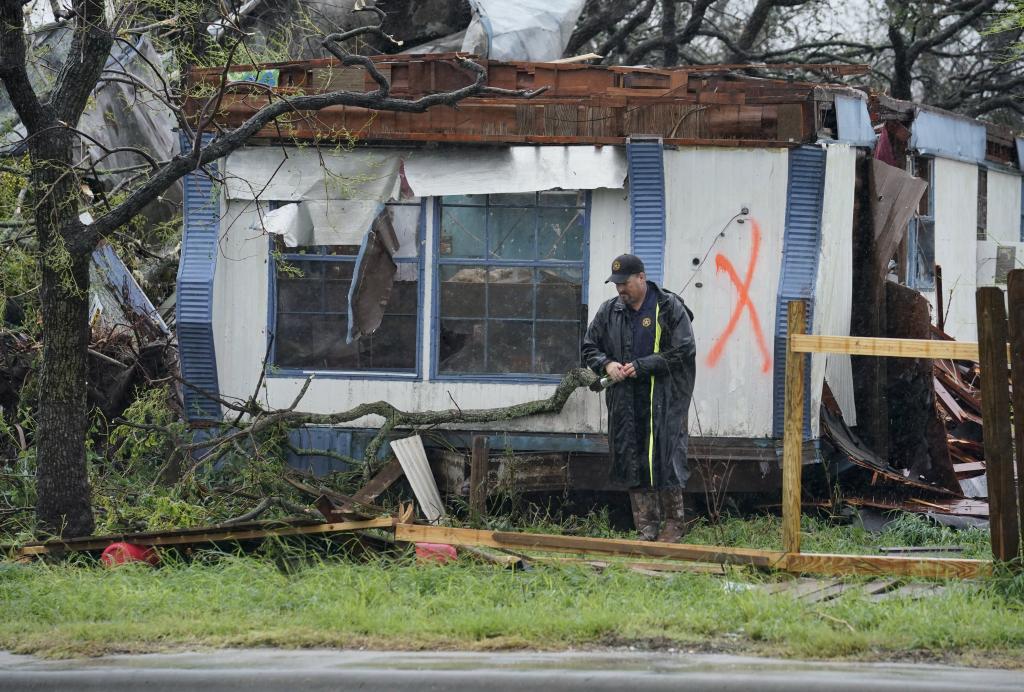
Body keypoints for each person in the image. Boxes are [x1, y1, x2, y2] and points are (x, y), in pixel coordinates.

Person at [582, 254, 696, 542]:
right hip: (625, 401)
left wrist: (645, 365)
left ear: (642, 278)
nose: (621, 289)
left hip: (665, 400)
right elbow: (588, 346)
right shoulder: (609, 311)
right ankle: (646, 526)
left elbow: (684, 350)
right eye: (616, 284)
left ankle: (674, 524)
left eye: (625, 282)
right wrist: (607, 364)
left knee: (665, 457)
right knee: (632, 458)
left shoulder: (669, 307)